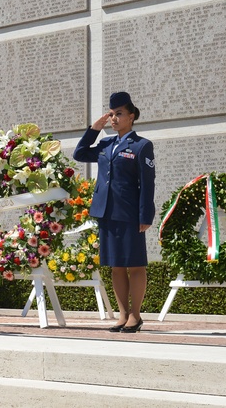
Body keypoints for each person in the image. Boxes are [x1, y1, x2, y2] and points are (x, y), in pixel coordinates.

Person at [73, 91, 155, 334]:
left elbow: (147, 183)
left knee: (136, 265)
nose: (114, 118)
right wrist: (94, 129)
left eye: (119, 114)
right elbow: (79, 153)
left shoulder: (141, 145)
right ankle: (123, 314)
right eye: (111, 114)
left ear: (131, 116)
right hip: (106, 211)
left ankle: (136, 316)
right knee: (116, 266)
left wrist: (145, 215)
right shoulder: (106, 143)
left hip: (130, 214)